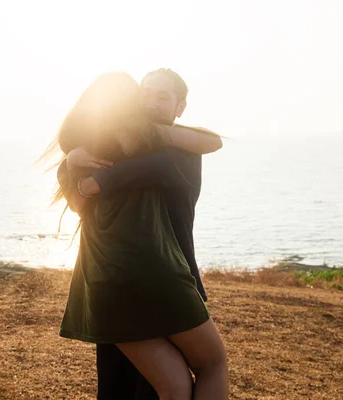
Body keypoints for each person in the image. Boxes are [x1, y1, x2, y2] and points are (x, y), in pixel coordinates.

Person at [45, 71, 229, 399]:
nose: (150, 102)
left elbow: (80, 200)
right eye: (145, 94)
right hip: (160, 277)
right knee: (201, 369)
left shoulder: (95, 153)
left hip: (107, 286)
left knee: (154, 388)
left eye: (161, 96)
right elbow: (210, 141)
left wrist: (80, 170)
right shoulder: (155, 147)